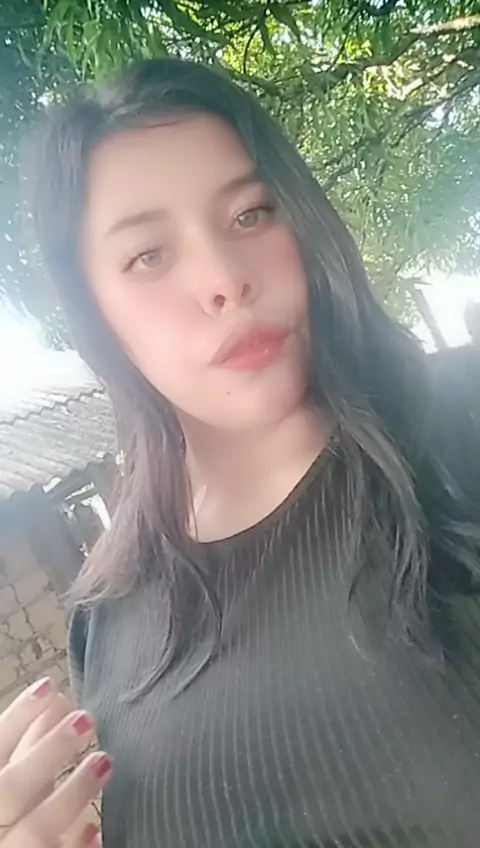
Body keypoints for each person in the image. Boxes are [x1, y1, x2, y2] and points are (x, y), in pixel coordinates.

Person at [3, 58, 480, 847]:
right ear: (96, 317)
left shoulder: (460, 421)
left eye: (251, 214)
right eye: (148, 256)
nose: (224, 279)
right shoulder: (107, 619)